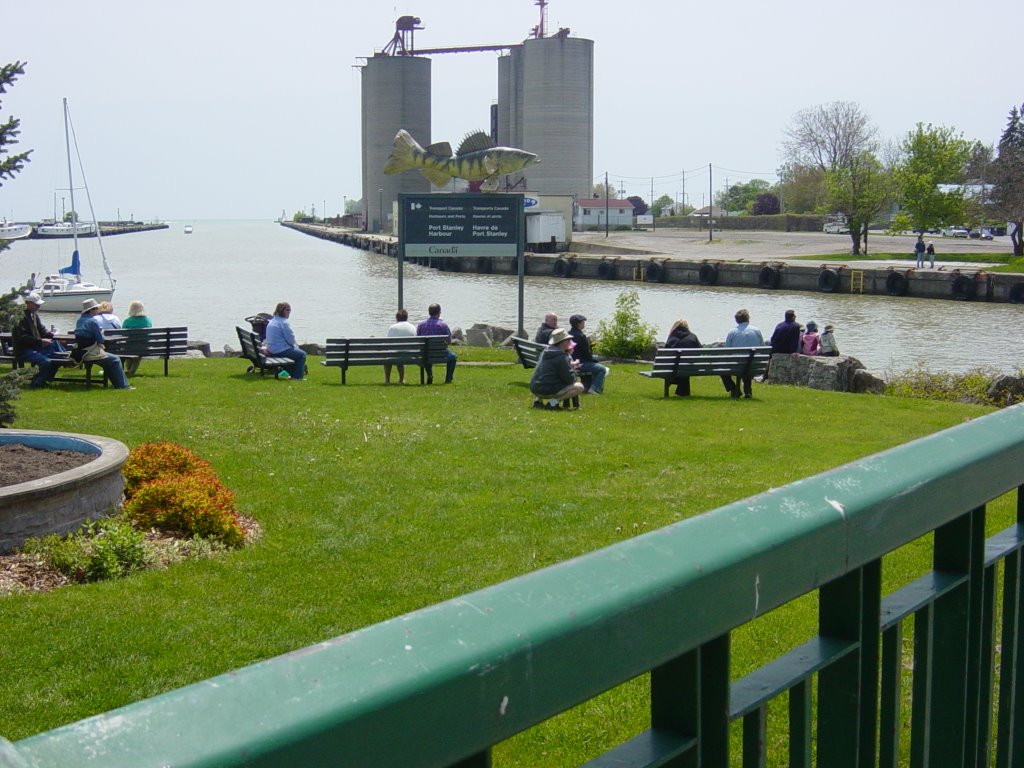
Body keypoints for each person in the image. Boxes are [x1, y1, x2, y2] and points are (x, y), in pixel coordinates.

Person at [12, 293, 69, 389]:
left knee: (57, 357)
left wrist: (54, 336)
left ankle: (46, 378)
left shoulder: (34, 315)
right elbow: (22, 337)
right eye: (36, 304)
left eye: (39, 305)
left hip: (35, 346)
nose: (39, 306)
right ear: (28, 303)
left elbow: (42, 331)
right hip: (23, 350)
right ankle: (36, 383)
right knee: (45, 361)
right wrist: (41, 341)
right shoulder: (19, 317)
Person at [73, 298, 132, 389]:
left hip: (80, 352)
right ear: (92, 310)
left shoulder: (80, 320)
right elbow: (100, 340)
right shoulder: (92, 321)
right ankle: (123, 386)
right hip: (91, 353)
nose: (98, 310)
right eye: (96, 308)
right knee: (115, 359)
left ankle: (117, 384)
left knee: (109, 361)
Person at [530, 328, 585, 409]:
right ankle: (553, 403)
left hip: (535, 388)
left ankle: (538, 401)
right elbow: (569, 379)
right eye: (568, 340)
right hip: (548, 390)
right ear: (562, 342)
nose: (570, 342)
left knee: (545, 375)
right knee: (579, 387)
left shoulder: (545, 352)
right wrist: (573, 369)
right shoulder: (562, 356)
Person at [722, 308, 764, 399]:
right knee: (747, 365)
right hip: (754, 364)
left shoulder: (732, 332)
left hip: (736, 364)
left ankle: (733, 389)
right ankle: (748, 391)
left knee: (722, 369)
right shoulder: (756, 330)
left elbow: (727, 351)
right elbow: (762, 347)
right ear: (748, 318)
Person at [416, 303, 457, 384]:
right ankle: (448, 379)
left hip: (425, 354)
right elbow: (449, 341)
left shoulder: (421, 325)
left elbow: (418, 339)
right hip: (440, 354)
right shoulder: (443, 325)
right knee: (453, 357)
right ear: (438, 313)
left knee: (426, 352)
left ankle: (429, 374)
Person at [567, 314, 608, 395]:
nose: (584, 324)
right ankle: (595, 389)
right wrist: (595, 361)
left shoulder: (567, 334)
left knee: (596, 366)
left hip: (570, 362)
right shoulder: (581, 336)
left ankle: (587, 387)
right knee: (602, 369)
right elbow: (587, 354)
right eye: (583, 322)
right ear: (578, 324)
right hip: (580, 363)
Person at [265, 301, 306, 380]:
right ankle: (297, 378)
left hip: (272, 350)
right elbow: (291, 340)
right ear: (281, 311)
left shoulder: (272, 321)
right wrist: (294, 346)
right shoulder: (284, 322)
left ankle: (290, 375)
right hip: (279, 351)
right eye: (287, 310)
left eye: (290, 310)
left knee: (295, 353)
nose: (289, 312)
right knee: (302, 355)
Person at [664, 319, 701, 396]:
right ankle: (683, 392)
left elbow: (665, 353)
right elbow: (700, 351)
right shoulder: (693, 337)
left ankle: (678, 387)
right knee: (684, 368)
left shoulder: (672, 338)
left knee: (679, 367)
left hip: (673, 367)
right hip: (691, 366)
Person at [385, 308, 417, 384]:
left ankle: (387, 380)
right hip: (410, 355)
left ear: (397, 318)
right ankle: (401, 380)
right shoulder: (412, 327)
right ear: (407, 317)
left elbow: (389, 343)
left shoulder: (392, 328)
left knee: (389, 357)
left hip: (395, 354)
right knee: (400, 355)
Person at [121, 300, 153, 375]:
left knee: (131, 352)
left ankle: (129, 371)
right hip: (144, 347)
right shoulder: (147, 320)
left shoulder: (127, 321)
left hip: (129, 347)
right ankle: (130, 371)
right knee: (138, 354)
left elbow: (123, 335)